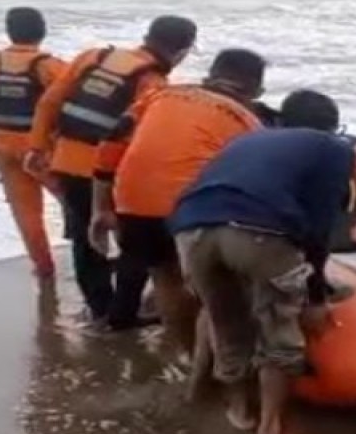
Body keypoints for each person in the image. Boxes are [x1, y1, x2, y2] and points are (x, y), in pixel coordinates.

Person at [169, 94, 355, 434]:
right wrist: (315, 296)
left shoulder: (246, 138)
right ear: (333, 127)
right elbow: (319, 225)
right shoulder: (334, 149)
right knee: (279, 333)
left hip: (190, 227)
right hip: (255, 231)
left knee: (226, 323)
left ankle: (238, 410)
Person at [26, 16, 196, 324]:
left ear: (146, 35)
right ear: (182, 53)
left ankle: (99, 306)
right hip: (109, 174)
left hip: (65, 161)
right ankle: (122, 313)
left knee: (84, 236)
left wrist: (37, 147)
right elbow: (139, 141)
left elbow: (48, 103)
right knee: (132, 240)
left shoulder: (93, 56)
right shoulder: (154, 84)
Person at [91, 49, 266, 341]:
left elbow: (109, 146)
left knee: (164, 277)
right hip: (189, 209)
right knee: (212, 283)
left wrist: (100, 208)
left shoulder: (158, 96)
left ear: (209, 76)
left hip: (133, 202)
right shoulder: (246, 120)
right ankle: (212, 354)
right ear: (256, 90)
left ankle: (182, 351)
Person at [0, 7, 67, 280]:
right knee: (75, 205)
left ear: (8, 31)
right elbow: (64, 110)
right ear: (42, 30)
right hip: (41, 149)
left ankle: (44, 267)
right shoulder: (51, 66)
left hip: (2, 144)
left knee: (26, 214)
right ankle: (93, 255)